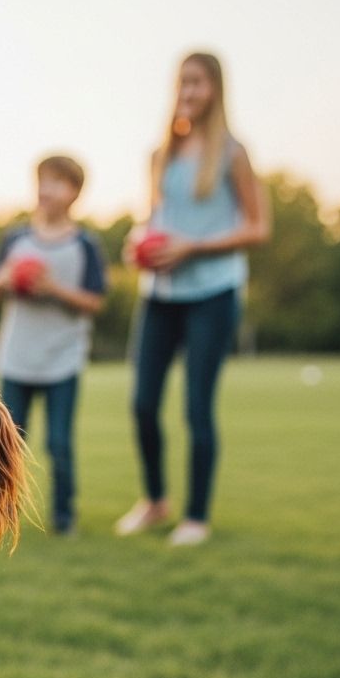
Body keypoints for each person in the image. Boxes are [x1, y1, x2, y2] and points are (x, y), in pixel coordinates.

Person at [115, 51, 270, 546]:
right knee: (142, 404)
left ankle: (196, 517)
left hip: (213, 293)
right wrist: (138, 243)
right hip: (160, 294)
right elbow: (154, 219)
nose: (188, 91)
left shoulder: (233, 153)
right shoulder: (161, 154)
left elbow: (258, 227)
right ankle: (155, 500)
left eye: (198, 82)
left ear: (215, 89)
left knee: (197, 408)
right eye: (183, 81)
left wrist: (192, 247)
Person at [0, 155, 106, 535]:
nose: (46, 190)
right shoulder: (16, 239)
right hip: (16, 356)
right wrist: (6, 280)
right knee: (8, 442)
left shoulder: (85, 244)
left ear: (75, 193)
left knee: (59, 443)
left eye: (57, 182)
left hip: (62, 360)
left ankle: (64, 518)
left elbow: (95, 301)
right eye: (42, 181)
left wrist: (52, 289)